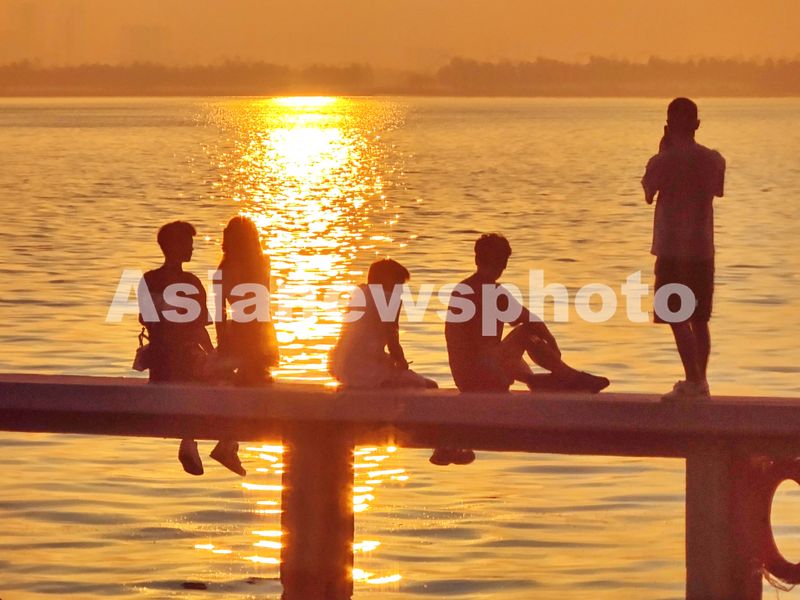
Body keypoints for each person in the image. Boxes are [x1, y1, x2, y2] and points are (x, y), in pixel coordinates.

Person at [440, 234, 609, 466]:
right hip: (482, 375)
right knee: (524, 334)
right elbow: (530, 321)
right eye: (502, 263)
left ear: (477, 259)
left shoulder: (462, 289)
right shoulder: (492, 292)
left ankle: (537, 381)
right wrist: (553, 345)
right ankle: (569, 377)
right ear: (502, 264)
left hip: (464, 377)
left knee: (505, 349)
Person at [138, 220, 245, 477]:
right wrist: (215, 356)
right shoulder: (191, 283)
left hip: (160, 366)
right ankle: (227, 442)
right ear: (175, 245)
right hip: (184, 360)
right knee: (230, 380)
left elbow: (148, 320)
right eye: (188, 243)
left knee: (197, 381)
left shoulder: (147, 280)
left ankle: (189, 441)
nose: (192, 248)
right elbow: (199, 330)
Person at [642, 98, 726, 401]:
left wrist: (663, 151)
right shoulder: (714, 160)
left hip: (671, 250)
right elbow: (717, 190)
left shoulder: (661, 161)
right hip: (702, 249)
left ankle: (693, 379)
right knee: (699, 319)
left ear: (668, 125)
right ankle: (700, 382)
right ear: (697, 125)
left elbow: (648, 194)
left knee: (675, 316)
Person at [329, 258, 437, 390]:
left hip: (341, 365)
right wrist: (402, 363)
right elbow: (392, 341)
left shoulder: (360, 293)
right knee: (430, 385)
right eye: (399, 284)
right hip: (365, 369)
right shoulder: (388, 298)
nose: (401, 290)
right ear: (389, 281)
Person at [214, 216, 279, 386]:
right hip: (259, 328)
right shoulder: (262, 264)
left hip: (243, 330)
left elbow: (220, 314)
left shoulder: (222, 271)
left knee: (238, 373)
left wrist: (223, 343)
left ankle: (245, 374)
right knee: (256, 374)